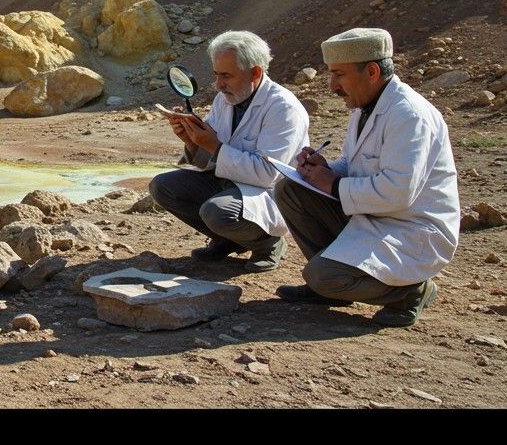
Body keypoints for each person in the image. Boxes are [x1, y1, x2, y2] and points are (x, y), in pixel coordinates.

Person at [274, 27, 460, 327]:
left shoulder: (409, 115)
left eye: (339, 75)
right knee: (291, 189)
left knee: (322, 275)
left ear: (372, 71)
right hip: (376, 217)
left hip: (410, 229)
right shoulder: (366, 106)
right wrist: (326, 168)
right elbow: (356, 163)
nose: (332, 86)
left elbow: (399, 192)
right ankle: (334, 289)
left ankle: (411, 290)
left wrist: (332, 183)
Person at [147, 30, 310, 272]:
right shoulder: (225, 99)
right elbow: (211, 160)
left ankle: (268, 243)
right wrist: (191, 140)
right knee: (163, 187)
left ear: (255, 72)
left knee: (217, 212)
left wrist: (213, 144)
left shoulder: (283, 108)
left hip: (269, 193)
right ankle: (228, 240)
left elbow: (268, 174)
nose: (219, 84)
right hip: (229, 184)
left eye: (226, 75)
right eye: (216, 75)